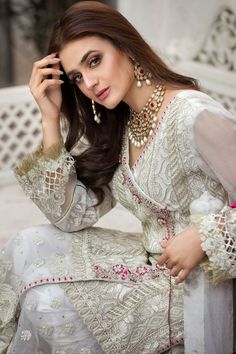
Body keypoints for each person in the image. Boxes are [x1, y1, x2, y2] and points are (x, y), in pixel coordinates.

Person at [1, 1, 236, 353]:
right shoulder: (122, 124)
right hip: (154, 265)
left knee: (48, 302)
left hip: (204, 287)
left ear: (125, 45)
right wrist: (49, 116)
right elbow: (70, 217)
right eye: (77, 77)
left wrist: (205, 236)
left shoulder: (193, 115)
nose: (90, 83)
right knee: (27, 244)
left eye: (94, 60)